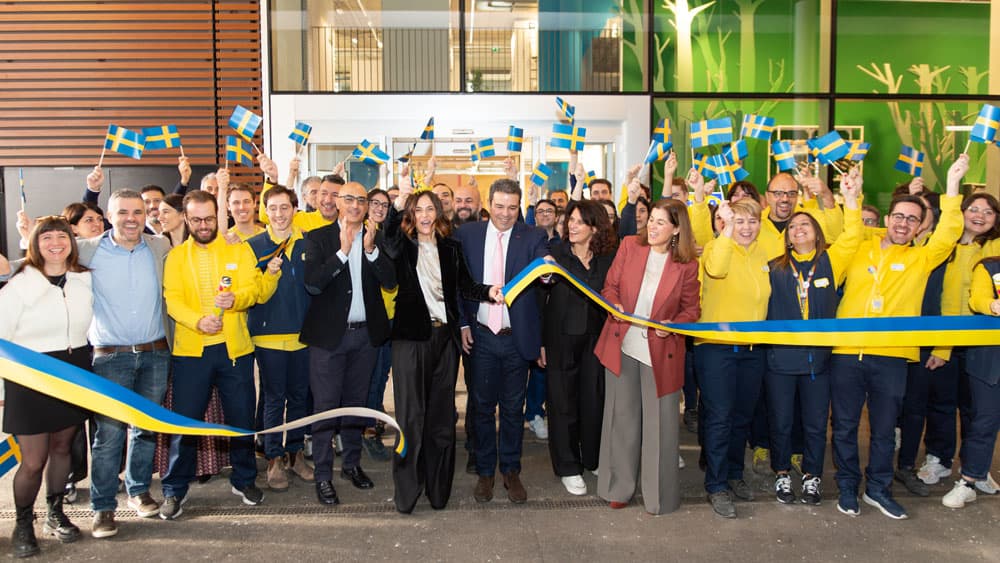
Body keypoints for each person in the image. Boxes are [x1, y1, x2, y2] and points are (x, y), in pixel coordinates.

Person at [830, 155, 965, 520]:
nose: (904, 223)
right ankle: (847, 487)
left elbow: (950, 233)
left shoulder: (922, 259)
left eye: (913, 219)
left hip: (891, 357)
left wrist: (952, 188)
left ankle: (878, 488)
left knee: (885, 431)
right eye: (899, 217)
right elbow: (846, 233)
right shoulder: (858, 247)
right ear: (888, 220)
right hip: (846, 353)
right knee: (843, 427)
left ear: (920, 227)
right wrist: (852, 199)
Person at [382, 188, 501, 513]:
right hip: (410, 341)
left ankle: (438, 491)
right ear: (411, 214)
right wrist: (396, 204)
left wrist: (489, 292)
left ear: (437, 214)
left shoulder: (451, 247)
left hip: (444, 342)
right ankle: (407, 492)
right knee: (410, 418)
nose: (424, 215)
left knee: (441, 419)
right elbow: (388, 237)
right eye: (417, 209)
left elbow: (466, 286)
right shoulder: (402, 247)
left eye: (429, 209)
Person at [594, 196, 701, 514]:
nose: (651, 226)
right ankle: (618, 487)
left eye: (659, 222)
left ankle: (659, 497)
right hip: (623, 344)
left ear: (676, 229)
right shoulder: (629, 246)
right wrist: (615, 305)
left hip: (661, 351)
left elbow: (692, 309)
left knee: (661, 426)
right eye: (650, 219)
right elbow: (609, 287)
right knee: (621, 420)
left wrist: (675, 325)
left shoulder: (687, 264)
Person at [160, 190, 264, 519]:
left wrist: (237, 299)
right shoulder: (176, 257)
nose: (204, 225)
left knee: (242, 418)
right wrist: (196, 320)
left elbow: (255, 288)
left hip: (235, 351)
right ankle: (175, 488)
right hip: (192, 351)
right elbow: (172, 299)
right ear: (186, 219)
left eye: (209, 218)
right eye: (196, 219)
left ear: (217, 216)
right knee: (185, 423)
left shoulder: (238, 249)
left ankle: (244, 478)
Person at [764, 169, 863, 506]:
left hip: (818, 362)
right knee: (780, 421)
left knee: (816, 424)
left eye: (805, 225)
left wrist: (850, 199)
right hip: (780, 360)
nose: (798, 229)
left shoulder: (830, 262)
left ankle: (811, 476)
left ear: (817, 232)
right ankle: (781, 474)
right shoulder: (775, 267)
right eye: (793, 227)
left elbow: (853, 235)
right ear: (787, 237)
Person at [77, 189, 172, 537]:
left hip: (156, 353)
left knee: (145, 429)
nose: (131, 219)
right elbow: (48, 251)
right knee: (109, 436)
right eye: (123, 213)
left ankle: (139, 491)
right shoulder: (88, 250)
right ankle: (102, 507)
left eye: (137, 212)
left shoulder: (159, 246)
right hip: (109, 356)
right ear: (108, 216)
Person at [897, 192, 1000, 495]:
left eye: (988, 211)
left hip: (986, 344)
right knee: (941, 405)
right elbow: (940, 299)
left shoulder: (995, 249)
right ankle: (939, 458)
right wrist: (942, 348)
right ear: (961, 211)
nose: (979, 215)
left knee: (980, 410)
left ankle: (975, 468)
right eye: (973, 209)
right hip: (945, 342)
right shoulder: (943, 247)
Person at [0, 216, 92, 557]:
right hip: (30, 377)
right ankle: (23, 525)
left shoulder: (84, 280)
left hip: (73, 371)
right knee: (33, 460)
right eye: (47, 237)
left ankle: (56, 513)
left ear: (72, 241)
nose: (56, 243)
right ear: (35, 244)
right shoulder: (19, 285)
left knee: (62, 449)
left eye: (62, 236)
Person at [300, 181, 397, 505]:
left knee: (357, 405)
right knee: (325, 409)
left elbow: (390, 280)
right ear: (337, 202)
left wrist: (370, 252)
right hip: (329, 340)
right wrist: (342, 252)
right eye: (349, 199)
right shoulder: (319, 238)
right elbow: (313, 284)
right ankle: (324, 475)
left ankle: (352, 465)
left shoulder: (376, 238)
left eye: (361, 199)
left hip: (365, 338)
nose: (355, 205)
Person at [454, 178, 549, 504]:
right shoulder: (467, 235)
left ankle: (510, 470)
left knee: (512, 409)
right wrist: (464, 323)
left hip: (515, 340)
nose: (505, 214)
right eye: (499, 206)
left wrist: (547, 272)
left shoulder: (533, 236)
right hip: (480, 337)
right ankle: (484, 473)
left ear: (519, 207)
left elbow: (543, 268)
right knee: (480, 409)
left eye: (512, 207)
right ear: (488, 205)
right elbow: (458, 284)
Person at [693, 193, 771, 519]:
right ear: (726, 222)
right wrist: (724, 232)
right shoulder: (715, 248)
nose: (748, 227)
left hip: (754, 350)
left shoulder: (765, 255)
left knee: (742, 416)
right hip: (716, 348)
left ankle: (735, 473)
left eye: (753, 221)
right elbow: (716, 269)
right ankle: (717, 484)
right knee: (720, 417)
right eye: (740, 220)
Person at [246, 185, 316, 491]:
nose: (279, 214)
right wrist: (268, 273)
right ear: (265, 211)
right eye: (272, 208)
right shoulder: (253, 246)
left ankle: (295, 453)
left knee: (300, 397)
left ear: (295, 209)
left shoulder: (308, 242)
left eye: (285, 207)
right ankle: (273, 458)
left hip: (303, 335)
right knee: (274, 399)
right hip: (268, 335)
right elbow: (252, 293)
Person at [543, 200, 615, 496]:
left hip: (597, 341)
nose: (571, 225)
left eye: (578, 222)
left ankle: (592, 458)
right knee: (562, 405)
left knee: (593, 400)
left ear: (594, 228)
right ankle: (568, 467)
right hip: (560, 341)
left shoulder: (607, 259)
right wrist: (540, 342)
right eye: (569, 220)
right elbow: (539, 299)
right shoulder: (554, 255)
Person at [941, 256, 1000, 508]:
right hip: (990, 358)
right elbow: (977, 299)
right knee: (985, 420)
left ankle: (980, 470)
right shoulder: (989, 266)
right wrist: (993, 305)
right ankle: (969, 480)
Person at [362, 188, 396, 462]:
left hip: (391, 317)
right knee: (370, 379)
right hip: (367, 319)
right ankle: (367, 432)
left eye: (385, 205)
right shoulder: (356, 233)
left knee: (380, 375)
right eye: (375, 203)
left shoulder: (388, 236)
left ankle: (370, 425)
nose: (380, 208)